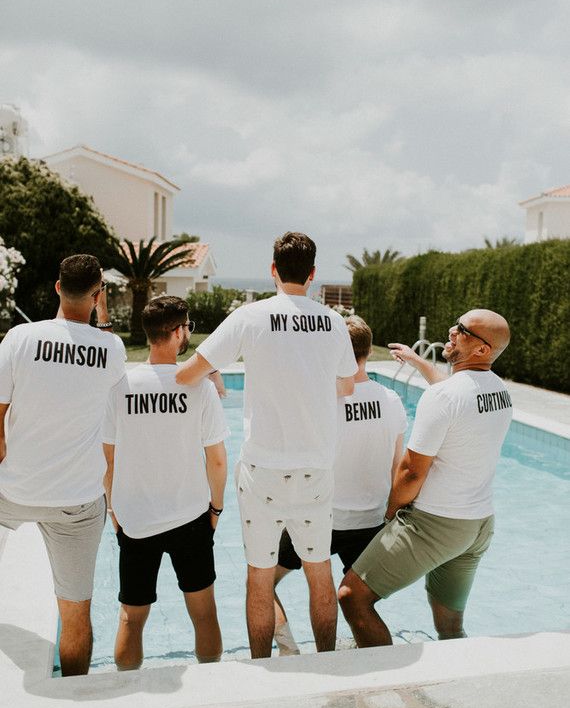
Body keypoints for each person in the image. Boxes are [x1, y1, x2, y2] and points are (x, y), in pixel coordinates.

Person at [176, 232, 358, 658]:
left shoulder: (251, 316)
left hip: (262, 472)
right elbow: (347, 384)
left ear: (273, 270)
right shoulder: (332, 321)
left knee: (259, 576)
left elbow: (188, 373)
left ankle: (262, 671)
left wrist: (211, 374)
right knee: (320, 573)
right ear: (312, 275)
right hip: (316, 468)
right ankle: (326, 663)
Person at [339, 309, 512, 646]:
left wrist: (389, 515)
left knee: (351, 596)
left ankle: (388, 687)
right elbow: (456, 397)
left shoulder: (444, 397)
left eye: (462, 330)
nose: (451, 330)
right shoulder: (500, 392)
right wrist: (419, 362)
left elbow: (411, 471)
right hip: (476, 526)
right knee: (450, 627)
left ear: (482, 349)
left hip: (435, 525)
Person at [0, 254, 125, 676]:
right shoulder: (111, 348)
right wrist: (101, 316)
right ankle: (76, 697)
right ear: (96, 295)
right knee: (75, 611)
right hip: (75, 504)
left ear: (56, 287)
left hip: (11, 492)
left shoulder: (19, 337)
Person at [102, 296, 229, 670]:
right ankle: (211, 685)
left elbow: (107, 457)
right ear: (177, 333)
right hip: (190, 516)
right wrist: (216, 509)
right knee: (203, 613)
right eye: (187, 326)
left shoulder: (120, 386)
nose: (188, 332)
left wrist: (113, 506)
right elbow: (217, 459)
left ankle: (129, 692)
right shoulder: (199, 388)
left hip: (136, 518)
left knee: (131, 616)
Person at [272, 315, 407, 655]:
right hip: (372, 523)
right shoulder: (390, 400)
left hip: (322, 519)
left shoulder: (322, 401)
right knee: (358, 603)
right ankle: (369, 663)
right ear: (368, 351)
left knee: (261, 583)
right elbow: (397, 466)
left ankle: (290, 651)